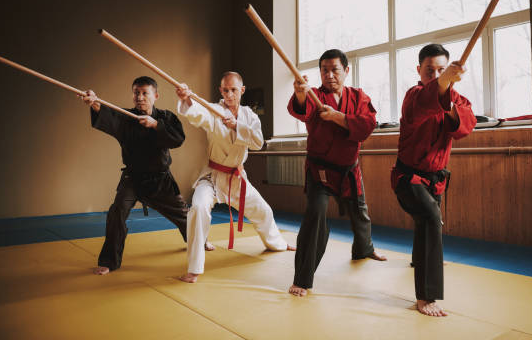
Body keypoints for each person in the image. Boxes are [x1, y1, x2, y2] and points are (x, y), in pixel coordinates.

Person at [176, 71, 294, 284]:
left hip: (236, 177)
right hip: (212, 176)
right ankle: (194, 268)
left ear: (242, 90)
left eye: (233, 90)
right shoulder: (214, 111)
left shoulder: (250, 116)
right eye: (225, 90)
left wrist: (236, 126)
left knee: (262, 210)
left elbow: (258, 142)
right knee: (198, 207)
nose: (229, 94)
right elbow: (197, 114)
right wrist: (186, 99)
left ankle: (277, 243)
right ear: (220, 91)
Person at [287, 49, 387, 297]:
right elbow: (302, 110)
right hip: (319, 170)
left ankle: (364, 248)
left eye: (335, 70)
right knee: (315, 214)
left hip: (349, 169)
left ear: (346, 71)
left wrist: (338, 117)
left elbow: (367, 125)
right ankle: (302, 278)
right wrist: (300, 94)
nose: (329, 75)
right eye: (324, 70)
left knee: (359, 211)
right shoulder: (314, 95)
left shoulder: (358, 96)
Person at [391, 44, 476, 316]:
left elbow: (465, 126)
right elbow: (422, 108)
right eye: (430, 70)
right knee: (430, 218)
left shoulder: (457, 99)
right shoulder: (413, 96)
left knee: (424, 221)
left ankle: (421, 260)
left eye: (442, 69)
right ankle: (426, 297)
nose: (436, 74)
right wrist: (443, 82)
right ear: (419, 71)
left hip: (435, 178)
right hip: (408, 177)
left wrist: (448, 92)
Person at [81, 76, 188, 275]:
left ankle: (198, 242)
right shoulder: (126, 117)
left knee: (184, 216)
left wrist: (156, 125)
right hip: (133, 179)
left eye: (144, 93)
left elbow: (178, 139)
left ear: (155, 96)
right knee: (117, 212)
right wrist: (95, 103)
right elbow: (108, 116)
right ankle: (109, 261)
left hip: (160, 180)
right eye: (136, 93)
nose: (140, 97)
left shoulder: (165, 117)